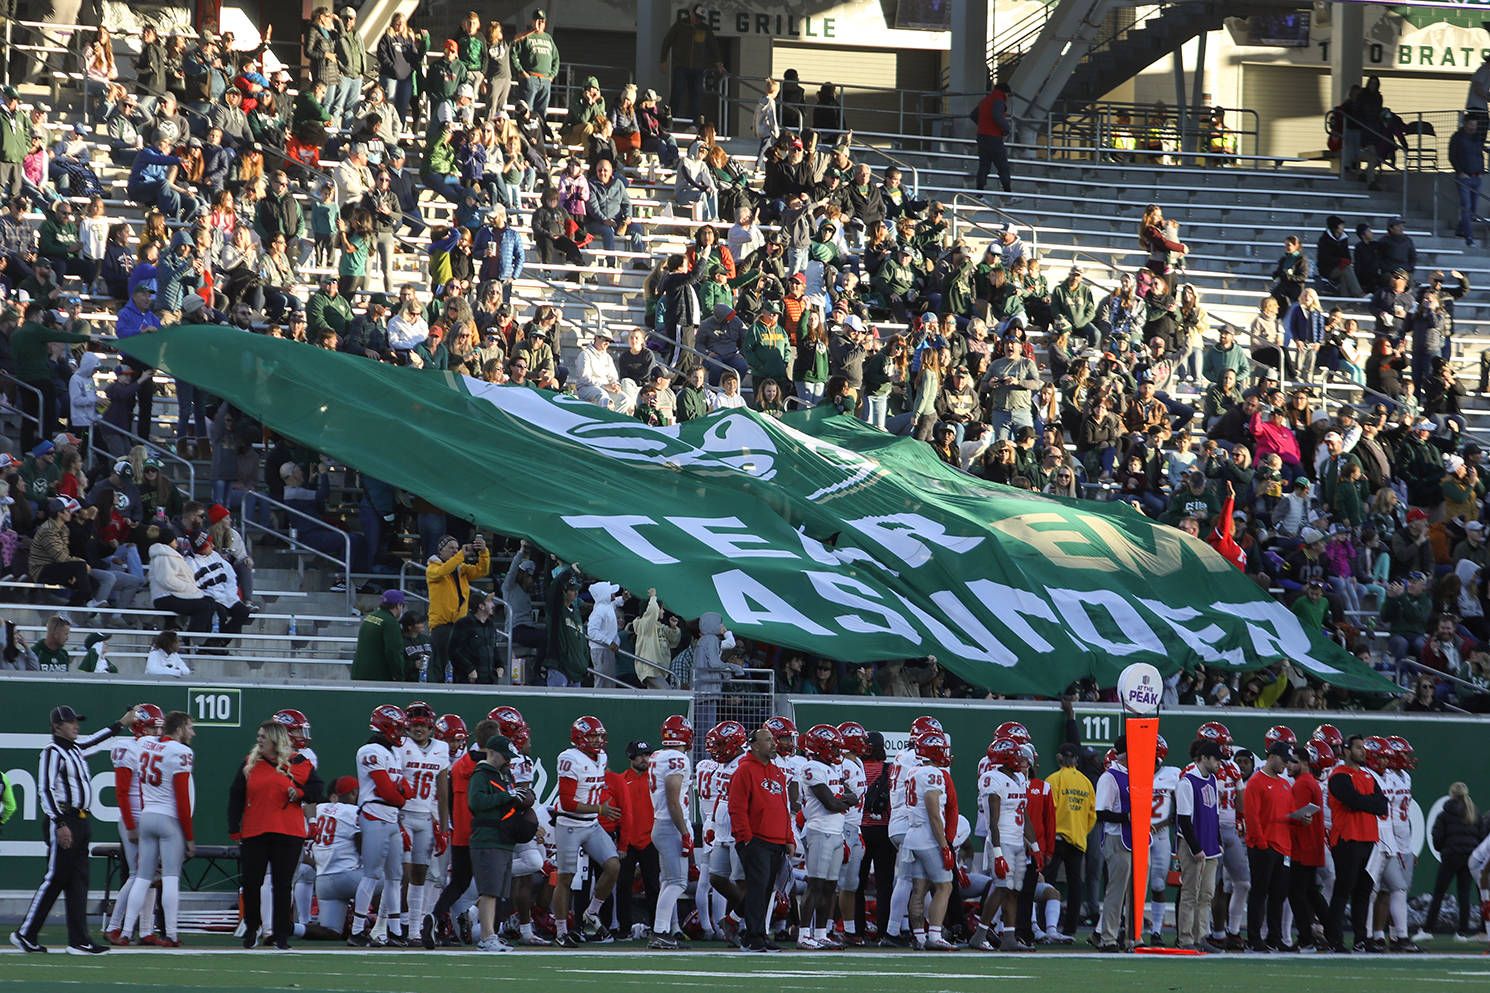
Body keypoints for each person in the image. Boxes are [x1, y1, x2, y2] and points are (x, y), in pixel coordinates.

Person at [12, 703, 142, 954]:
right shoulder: (52, 751)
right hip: (65, 819)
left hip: (81, 820)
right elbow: (45, 789)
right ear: (57, 726)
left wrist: (123, 722)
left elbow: (95, 739)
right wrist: (59, 822)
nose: (76, 726)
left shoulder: (75, 749)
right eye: (71, 722)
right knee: (55, 878)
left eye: (76, 721)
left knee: (78, 882)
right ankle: (25, 933)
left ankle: (79, 940)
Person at [227, 717, 322, 949]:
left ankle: (280, 933)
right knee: (251, 882)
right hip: (254, 830)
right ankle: (252, 926)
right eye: (258, 736)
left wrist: (299, 793)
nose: (259, 740)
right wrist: (234, 830)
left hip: (288, 831)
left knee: (282, 885)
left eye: (263, 737)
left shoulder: (299, 762)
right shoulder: (249, 763)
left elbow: (316, 790)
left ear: (275, 740)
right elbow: (236, 796)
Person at [117, 710, 194, 946]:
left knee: (142, 878)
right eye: (190, 727)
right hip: (168, 818)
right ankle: (171, 932)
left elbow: (148, 742)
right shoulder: (181, 752)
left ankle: (126, 931)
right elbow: (182, 799)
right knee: (170, 877)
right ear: (179, 730)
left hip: (147, 815)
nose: (193, 732)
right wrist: (189, 837)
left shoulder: (145, 743)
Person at [552, 715, 622, 946]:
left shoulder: (601, 757)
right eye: (592, 735)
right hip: (570, 824)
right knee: (566, 878)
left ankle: (592, 912)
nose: (597, 740)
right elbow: (568, 802)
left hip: (591, 823)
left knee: (612, 867)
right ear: (580, 737)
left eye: (599, 735)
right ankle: (561, 931)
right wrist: (600, 808)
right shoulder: (569, 758)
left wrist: (598, 810)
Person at [348, 705, 412, 946]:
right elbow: (389, 791)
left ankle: (393, 931)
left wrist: (399, 794)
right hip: (375, 814)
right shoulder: (370, 750)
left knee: (395, 877)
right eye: (398, 726)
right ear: (387, 726)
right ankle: (356, 931)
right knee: (372, 873)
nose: (402, 732)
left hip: (391, 817)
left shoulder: (392, 753)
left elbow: (407, 789)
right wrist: (400, 794)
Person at [729, 725, 791, 952]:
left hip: (776, 840)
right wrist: (747, 838)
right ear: (754, 746)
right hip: (756, 839)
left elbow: (784, 808)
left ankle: (760, 934)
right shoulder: (744, 770)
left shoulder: (776, 771)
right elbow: (736, 807)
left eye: (773, 739)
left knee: (766, 891)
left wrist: (789, 838)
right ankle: (752, 936)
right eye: (767, 740)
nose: (774, 743)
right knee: (757, 890)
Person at [1324, 734, 1388, 953]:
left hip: (1369, 839)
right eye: (1359, 747)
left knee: (1363, 893)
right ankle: (1335, 940)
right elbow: (1353, 801)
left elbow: (1383, 806)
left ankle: (1362, 939)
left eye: (1363, 748)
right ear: (1346, 751)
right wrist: (1369, 802)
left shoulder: (1369, 776)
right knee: (1343, 890)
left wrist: (1366, 803)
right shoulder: (1339, 776)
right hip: (1347, 839)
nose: (1363, 751)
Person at [469, 733, 529, 953]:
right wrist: (507, 796)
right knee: (489, 890)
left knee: (496, 891)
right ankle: (487, 936)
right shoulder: (481, 774)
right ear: (491, 752)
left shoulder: (504, 775)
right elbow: (476, 802)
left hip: (504, 838)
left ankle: (488, 935)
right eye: (505, 756)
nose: (508, 760)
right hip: (487, 837)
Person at [645, 716, 695, 949]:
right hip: (670, 824)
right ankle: (659, 932)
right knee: (677, 883)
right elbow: (674, 801)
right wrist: (685, 832)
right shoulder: (677, 757)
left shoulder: (657, 755)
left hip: (661, 823)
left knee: (668, 882)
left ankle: (663, 931)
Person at [1419, 782, 1486, 939]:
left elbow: (1437, 837)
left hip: (1450, 857)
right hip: (1469, 859)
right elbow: (1482, 839)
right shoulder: (1474, 815)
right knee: (1464, 895)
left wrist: (1444, 850)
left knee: (1439, 893)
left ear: (1452, 795)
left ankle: (1428, 930)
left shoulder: (1444, 815)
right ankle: (1462, 933)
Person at [1174, 740, 1223, 951]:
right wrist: (1196, 848)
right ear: (1204, 758)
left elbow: (1215, 814)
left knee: (1206, 895)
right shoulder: (1187, 782)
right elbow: (1183, 820)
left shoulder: (1212, 780)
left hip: (1210, 846)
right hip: (1194, 846)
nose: (1220, 764)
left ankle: (1200, 937)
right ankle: (1185, 938)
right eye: (1217, 760)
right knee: (1190, 894)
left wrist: (1218, 842)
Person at [426, 532, 489, 679]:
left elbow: (482, 570)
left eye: (457, 548)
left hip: (460, 625)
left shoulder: (461, 568)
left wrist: (484, 552)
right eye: (451, 548)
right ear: (441, 550)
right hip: (441, 626)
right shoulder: (433, 567)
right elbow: (442, 571)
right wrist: (460, 555)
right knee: (442, 665)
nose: (455, 551)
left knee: (460, 666)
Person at [1286, 743, 1331, 952]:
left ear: (1305, 763)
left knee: (1297, 893)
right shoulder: (1310, 781)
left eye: (1293, 761)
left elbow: (1299, 817)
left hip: (1302, 847)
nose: (1289, 764)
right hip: (1312, 845)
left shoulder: (1302, 784)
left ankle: (1306, 939)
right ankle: (1334, 934)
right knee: (1311, 892)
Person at [1093, 736, 1132, 951]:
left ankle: (1132, 938)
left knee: (1135, 893)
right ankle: (1108, 937)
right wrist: (1127, 817)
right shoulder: (1110, 777)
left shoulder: (1137, 774)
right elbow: (1101, 813)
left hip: (1137, 838)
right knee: (1116, 891)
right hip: (1117, 837)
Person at [659, 4, 722, 127]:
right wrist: (663, 61)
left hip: (697, 68)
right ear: (692, 14)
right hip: (680, 66)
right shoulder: (680, 25)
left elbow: (714, 47)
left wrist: (719, 64)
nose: (698, 20)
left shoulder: (705, 29)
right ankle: (669, 122)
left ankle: (691, 125)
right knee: (677, 93)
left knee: (696, 98)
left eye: (700, 18)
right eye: (696, 17)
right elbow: (667, 42)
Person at [511, 10, 559, 125]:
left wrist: (552, 76)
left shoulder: (548, 38)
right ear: (532, 21)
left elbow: (556, 58)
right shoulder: (525, 37)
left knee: (542, 112)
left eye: (542, 21)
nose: (540, 23)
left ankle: (540, 135)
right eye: (537, 20)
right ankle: (526, 134)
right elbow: (513, 54)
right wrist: (522, 72)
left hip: (545, 80)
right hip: (530, 78)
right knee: (526, 110)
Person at [973, 76, 1015, 200]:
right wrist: (1006, 128)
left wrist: (984, 125)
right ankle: (1008, 194)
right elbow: (997, 115)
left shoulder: (985, 100)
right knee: (1003, 166)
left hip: (982, 136)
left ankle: (979, 194)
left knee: (984, 165)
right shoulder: (998, 100)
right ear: (1005, 93)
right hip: (994, 137)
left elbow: (973, 115)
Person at [352, 588, 407, 681]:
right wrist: (399, 675)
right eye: (403, 606)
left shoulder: (370, 616)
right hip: (377, 676)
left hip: (359, 672)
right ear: (398, 605)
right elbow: (392, 651)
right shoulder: (391, 622)